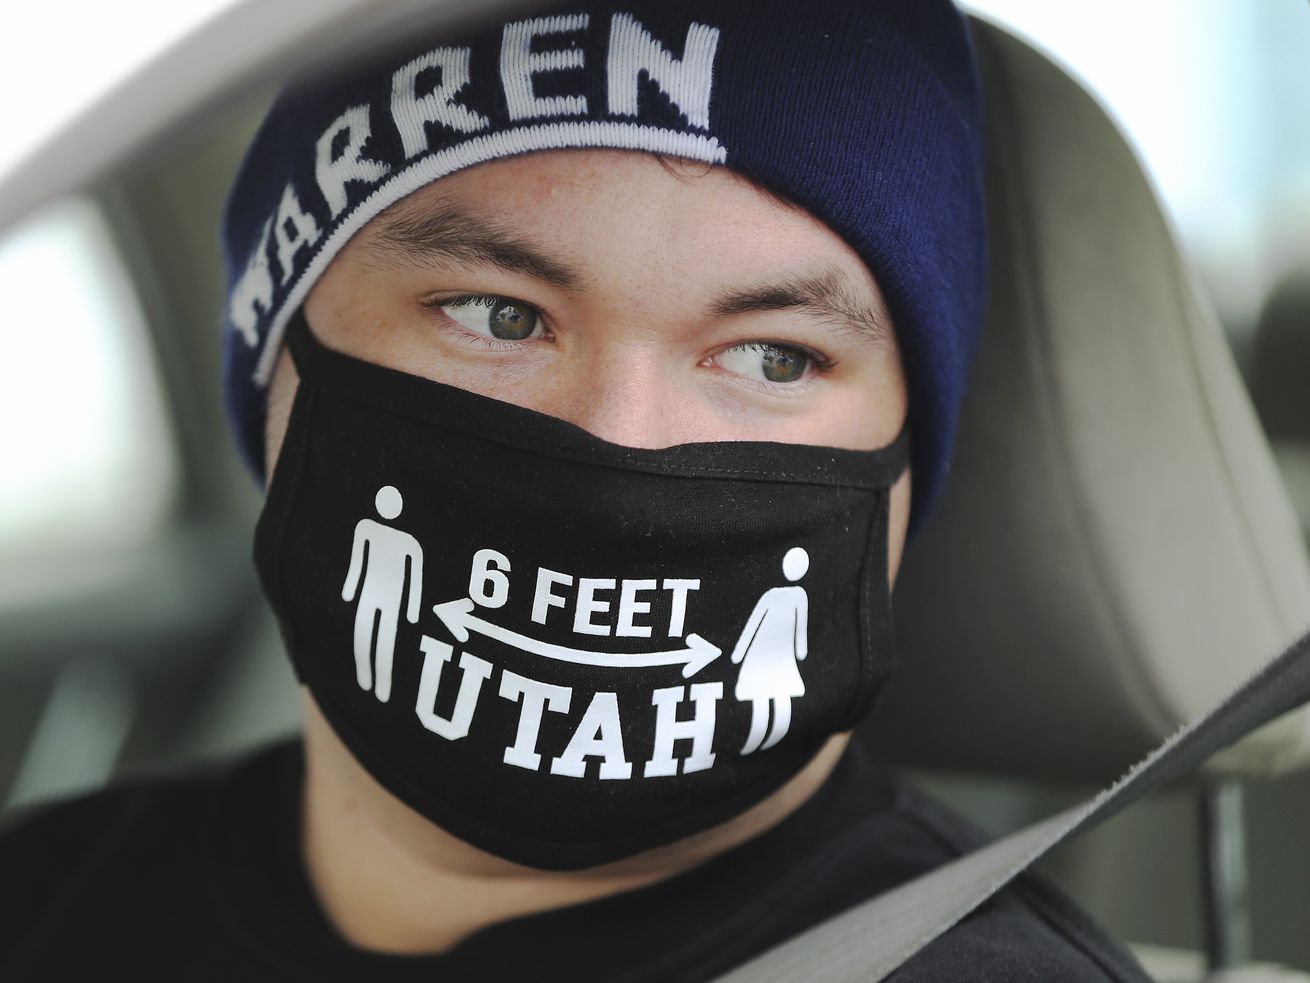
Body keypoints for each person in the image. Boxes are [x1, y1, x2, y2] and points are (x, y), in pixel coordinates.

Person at [0, 1, 1154, 980]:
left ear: (909, 452)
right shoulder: (42, 899)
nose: (621, 457)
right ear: (272, 366)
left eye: (771, 357)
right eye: (497, 316)